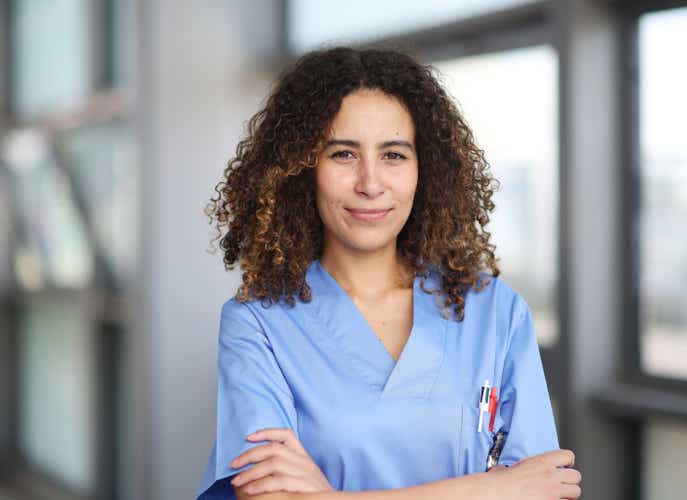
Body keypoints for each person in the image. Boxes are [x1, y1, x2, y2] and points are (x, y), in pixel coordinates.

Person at [197, 46, 582, 500]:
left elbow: (546, 490)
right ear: (302, 169)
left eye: (394, 155)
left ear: (426, 169)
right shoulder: (258, 323)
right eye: (342, 154)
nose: (371, 182)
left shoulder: (495, 311)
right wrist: (490, 489)